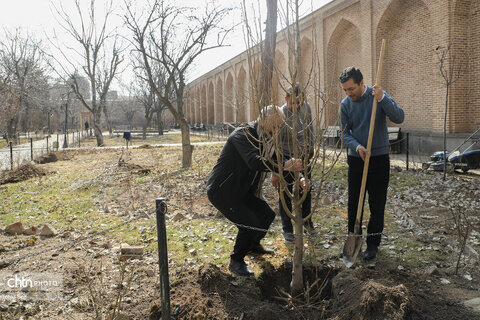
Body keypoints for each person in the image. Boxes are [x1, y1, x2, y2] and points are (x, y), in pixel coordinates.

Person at [206, 105, 302, 277]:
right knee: (248, 223)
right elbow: (253, 161)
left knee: (267, 215)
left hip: (242, 190)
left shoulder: (265, 139)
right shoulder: (243, 135)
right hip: (223, 191)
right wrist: (283, 167)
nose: (278, 130)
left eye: (280, 126)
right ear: (264, 120)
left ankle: (253, 245)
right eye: (276, 125)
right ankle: (236, 261)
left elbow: (275, 157)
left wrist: (294, 170)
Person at [338, 66, 404, 261]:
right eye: (345, 90)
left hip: (379, 158)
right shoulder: (345, 104)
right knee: (354, 203)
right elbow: (344, 133)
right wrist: (357, 147)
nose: (349, 94)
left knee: (377, 204)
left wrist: (383, 98)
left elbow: (399, 117)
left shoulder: (377, 96)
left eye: (352, 89)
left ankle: (373, 244)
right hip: (357, 158)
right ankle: (353, 239)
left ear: (361, 83)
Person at [271, 84, 316, 243]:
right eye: (293, 103)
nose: (296, 106)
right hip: (285, 159)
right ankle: (287, 229)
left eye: (299, 102)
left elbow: (310, 129)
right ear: (286, 100)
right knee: (285, 193)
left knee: (306, 190)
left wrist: (310, 149)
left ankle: (307, 222)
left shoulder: (306, 108)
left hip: (302, 157)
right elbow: (275, 144)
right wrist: (276, 171)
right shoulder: (280, 114)